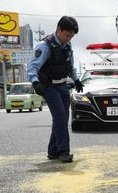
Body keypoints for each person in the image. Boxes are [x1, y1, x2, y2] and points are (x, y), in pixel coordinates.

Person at [27, 16, 84, 163]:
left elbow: (70, 66)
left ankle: (53, 151)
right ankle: (63, 151)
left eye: (71, 36)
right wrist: (35, 83)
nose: (68, 38)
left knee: (63, 118)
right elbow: (32, 67)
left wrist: (76, 79)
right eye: (67, 35)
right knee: (59, 117)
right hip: (49, 86)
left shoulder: (67, 46)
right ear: (59, 29)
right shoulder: (44, 46)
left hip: (63, 85)